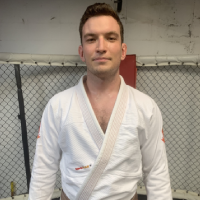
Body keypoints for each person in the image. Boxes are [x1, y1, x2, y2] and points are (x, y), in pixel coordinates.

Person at [28, 3, 172, 200]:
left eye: (110, 38)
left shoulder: (146, 107)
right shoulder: (57, 106)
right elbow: (43, 170)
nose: (101, 47)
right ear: (81, 52)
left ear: (123, 51)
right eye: (91, 39)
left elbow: (157, 172)